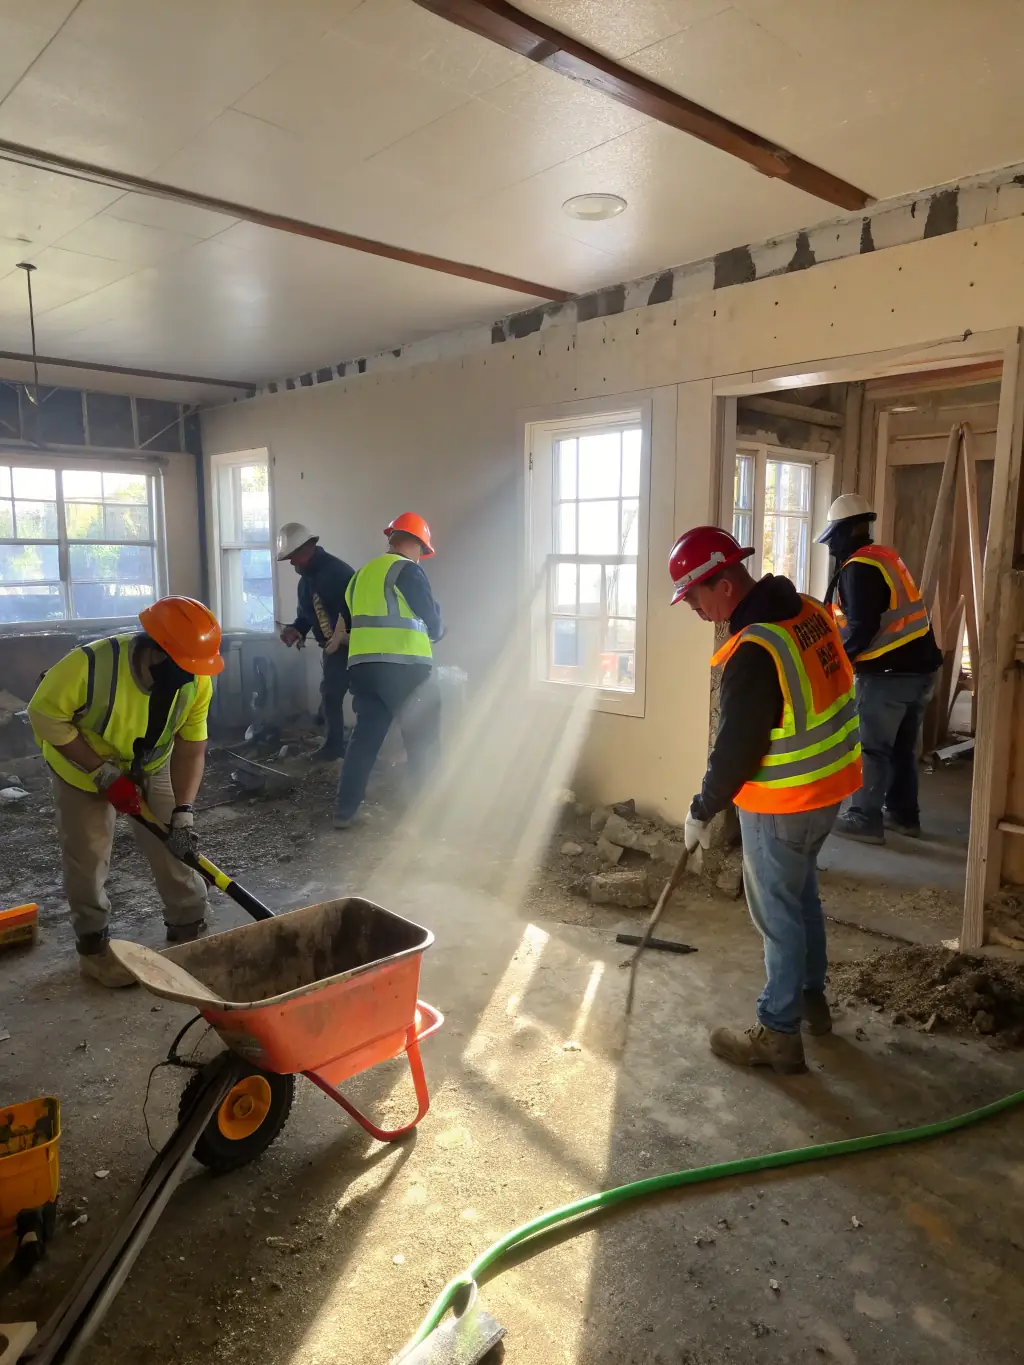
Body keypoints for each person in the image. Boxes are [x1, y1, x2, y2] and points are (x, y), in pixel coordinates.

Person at [670, 527, 862, 1073]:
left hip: (784, 800)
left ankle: (778, 1031)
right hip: (829, 788)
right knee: (800, 898)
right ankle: (810, 999)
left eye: (694, 597)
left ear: (724, 585)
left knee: (777, 914)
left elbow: (737, 748)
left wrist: (702, 806)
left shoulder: (755, 651)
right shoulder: (805, 612)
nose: (696, 611)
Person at [27, 596, 224, 989]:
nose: (192, 675)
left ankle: (188, 923)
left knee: (175, 841)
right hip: (81, 771)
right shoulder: (88, 665)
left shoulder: (195, 678)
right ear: (155, 652)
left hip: (151, 763)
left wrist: (184, 810)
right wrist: (101, 774)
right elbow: (44, 715)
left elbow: (191, 745)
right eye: (184, 666)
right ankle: (94, 948)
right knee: (88, 856)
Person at [816, 494, 943, 844]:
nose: (831, 548)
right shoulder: (886, 557)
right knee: (901, 748)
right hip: (921, 671)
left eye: (833, 538)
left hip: (887, 675)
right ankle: (903, 815)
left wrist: (839, 663)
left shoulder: (859, 567)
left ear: (845, 531)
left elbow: (861, 626)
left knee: (871, 748)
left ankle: (864, 818)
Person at [333, 512, 444, 829]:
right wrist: (440, 627)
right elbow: (431, 621)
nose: (421, 558)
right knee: (423, 740)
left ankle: (345, 812)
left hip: (363, 670)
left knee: (365, 740)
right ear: (416, 544)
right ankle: (428, 817)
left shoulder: (360, 575)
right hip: (405, 668)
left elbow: (352, 619)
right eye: (422, 551)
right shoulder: (406, 571)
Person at [276, 522, 355, 762]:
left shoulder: (339, 573)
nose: (291, 563)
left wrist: (347, 637)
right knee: (331, 695)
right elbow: (306, 616)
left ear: (307, 547)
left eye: (293, 557)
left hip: (356, 647)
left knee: (363, 697)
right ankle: (334, 746)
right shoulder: (306, 582)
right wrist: (296, 630)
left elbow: (359, 611)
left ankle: (359, 747)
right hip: (332, 650)